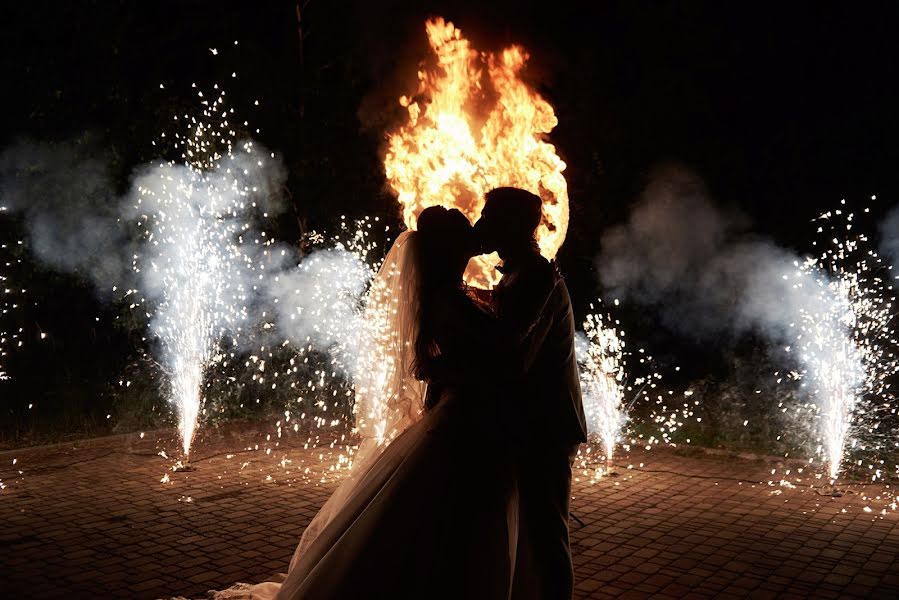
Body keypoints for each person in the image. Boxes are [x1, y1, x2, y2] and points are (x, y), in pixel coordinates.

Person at [214, 206, 536, 600]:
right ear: (449, 248)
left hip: (465, 418)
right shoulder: (447, 301)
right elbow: (487, 354)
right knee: (452, 520)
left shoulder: (451, 295)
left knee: (442, 520)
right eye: (461, 227)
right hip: (463, 421)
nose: (472, 229)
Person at [474, 187, 588, 600]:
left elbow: (514, 357)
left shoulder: (538, 276)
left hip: (546, 428)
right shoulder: (521, 274)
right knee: (528, 537)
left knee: (547, 535)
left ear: (512, 226)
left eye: (490, 217)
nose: (481, 225)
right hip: (529, 424)